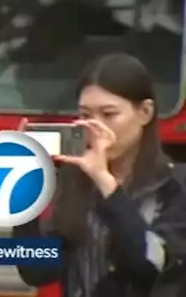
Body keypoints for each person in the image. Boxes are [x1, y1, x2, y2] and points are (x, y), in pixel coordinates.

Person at [14, 53, 186, 296]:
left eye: (109, 114)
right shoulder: (75, 182)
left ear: (145, 112)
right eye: (85, 116)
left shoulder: (174, 185)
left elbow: (152, 265)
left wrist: (106, 182)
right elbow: (37, 271)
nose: (95, 127)